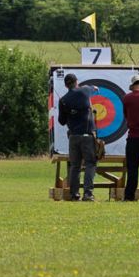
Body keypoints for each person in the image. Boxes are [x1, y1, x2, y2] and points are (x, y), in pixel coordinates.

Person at [60, 73, 100, 202]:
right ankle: (88, 194)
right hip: (88, 136)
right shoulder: (85, 90)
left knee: (75, 166)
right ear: (77, 82)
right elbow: (94, 88)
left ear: (66, 85)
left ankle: (74, 194)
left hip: (73, 137)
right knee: (90, 163)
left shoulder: (63, 100)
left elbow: (61, 121)